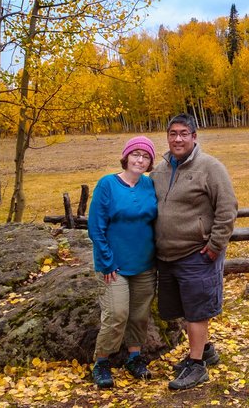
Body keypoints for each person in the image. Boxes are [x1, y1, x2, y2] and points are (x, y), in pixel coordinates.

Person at [151, 113, 237, 391]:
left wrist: (214, 248)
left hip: (197, 253)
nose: (177, 138)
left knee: (197, 311)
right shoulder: (160, 170)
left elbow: (227, 209)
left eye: (183, 133)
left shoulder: (210, 167)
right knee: (183, 309)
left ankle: (197, 366)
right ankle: (205, 350)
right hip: (167, 254)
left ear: (194, 136)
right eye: (173, 133)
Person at [87, 135, 159, 389]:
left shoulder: (150, 186)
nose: (140, 159)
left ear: (150, 162)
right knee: (116, 314)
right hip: (114, 266)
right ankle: (102, 362)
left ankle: (134, 357)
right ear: (126, 156)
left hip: (145, 264)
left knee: (139, 316)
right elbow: (96, 227)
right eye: (136, 154)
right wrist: (107, 261)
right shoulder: (108, 184)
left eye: (146, 156)